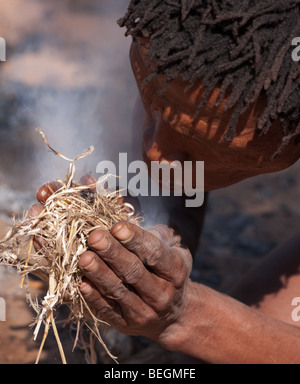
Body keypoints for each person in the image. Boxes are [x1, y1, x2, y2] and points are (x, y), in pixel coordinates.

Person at [31, 1, 300, 363]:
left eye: (195, 144)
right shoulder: (182, 30)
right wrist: (155, 229)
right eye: (152, 104)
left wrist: (186, 317)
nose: (152, 153)